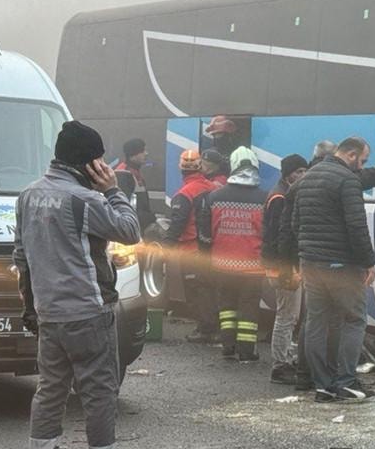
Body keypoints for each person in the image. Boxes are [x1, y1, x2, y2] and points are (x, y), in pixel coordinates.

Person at [13, 120, 143, 449]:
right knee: (99, 398)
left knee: (49, 395)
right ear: (90, 164)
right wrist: (114, 191)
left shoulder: (27, 197)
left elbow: (22, 259)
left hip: (49, 315)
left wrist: (29, 307)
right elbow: (130, 231)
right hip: (88, 313)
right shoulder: (84, 199)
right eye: (100, 160)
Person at [281, 140, 375, 391]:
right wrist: (368, 262)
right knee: (354, 320)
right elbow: (357, 226)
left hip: (311, 263)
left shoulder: (307, 179)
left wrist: (307, 251)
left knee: (315, 321)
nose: (362, 166)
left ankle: (320, 383)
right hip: (341, 264)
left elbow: (294, 223)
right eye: (362, 160)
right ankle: (346, 381)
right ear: (351, 155)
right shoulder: (347, 180)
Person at [199, 147, 267, 362]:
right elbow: (269, 234)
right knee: (249, 308)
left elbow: (204, 234)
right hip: (253, 266)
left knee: (226, 306)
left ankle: (227, 346)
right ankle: (247, 350)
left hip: (222, 264)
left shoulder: (214, 197)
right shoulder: (264, 198)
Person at [164, 149, 222, 341]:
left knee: (197, 291)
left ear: (181, 169)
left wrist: (165, 247)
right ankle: (216, 327)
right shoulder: (213, 188)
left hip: (191, 249)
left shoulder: (184, 194)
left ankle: (206, 330)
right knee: (212, 288)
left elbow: (177, 225)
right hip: (212, 248)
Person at [262, 153, 310, 383]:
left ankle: (286, 360)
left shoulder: (283, 193)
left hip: (284, 265)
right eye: (299, 171)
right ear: (288, 174)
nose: (303, 175)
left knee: (290, 316)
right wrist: (286, 269)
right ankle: (280, 366)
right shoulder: (281, 197)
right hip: (284, 267)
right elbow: (279, 236)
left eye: (305, 171)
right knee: (286, 316)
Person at [114, 138, 155, 233]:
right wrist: (149, 218)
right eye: (142, 151)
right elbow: (124, 207)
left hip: (137, 227)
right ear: (132, 155)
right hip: (130, 229)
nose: (146, 153)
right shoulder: (123, 174)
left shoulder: (135, 172)